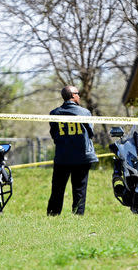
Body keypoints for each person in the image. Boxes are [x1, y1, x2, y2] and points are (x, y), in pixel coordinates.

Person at [47, 86, 99, 216]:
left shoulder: (54, 113)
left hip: (62, 156)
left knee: (57, 189)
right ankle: (78, 215)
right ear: (73, 95)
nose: (79, 96)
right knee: (80, 189)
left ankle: (53, 215)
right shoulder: (85, 113)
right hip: (82, 157)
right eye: (78, 94)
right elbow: (91, 133)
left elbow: (53, 133)